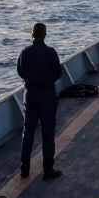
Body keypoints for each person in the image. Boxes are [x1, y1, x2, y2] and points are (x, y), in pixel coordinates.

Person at [17, 22, 63, 181]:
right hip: (46, 94)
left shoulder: (25, 52)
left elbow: (20, 72)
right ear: (44, 35)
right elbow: (58, 72)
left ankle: (24, 169)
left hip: (30, 95)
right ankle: (48, 169)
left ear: (32, 34)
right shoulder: (50, 52)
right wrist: (48, 80)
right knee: (47, 133)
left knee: (28, 132)